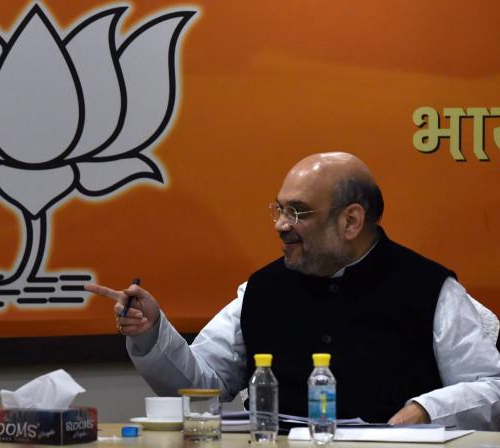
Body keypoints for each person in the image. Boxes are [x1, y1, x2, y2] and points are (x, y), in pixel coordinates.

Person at [86, 152, 500, 430]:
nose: (281, 225)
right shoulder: (262, 289)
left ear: (351, 220)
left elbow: (490, 387)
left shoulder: (429, 287)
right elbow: (202, 387)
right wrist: (151, 332)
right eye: (280, 209)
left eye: (298, 212)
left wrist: (426, 410)